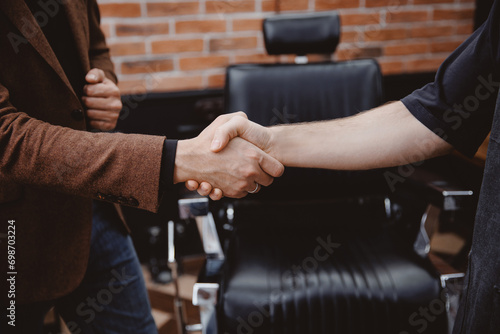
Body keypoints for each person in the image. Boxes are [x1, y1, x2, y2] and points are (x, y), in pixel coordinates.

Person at [188, 1, 500, 333]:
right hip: (262, 226)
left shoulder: (359, 75)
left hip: (365, 223)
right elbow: (435, 118)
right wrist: (268, 142)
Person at [0, 1, 282, 333]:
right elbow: (7, 137)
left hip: (95, 209)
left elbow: (95, 47)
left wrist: (104, 85)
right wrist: (179, 159)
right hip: (16, 233)